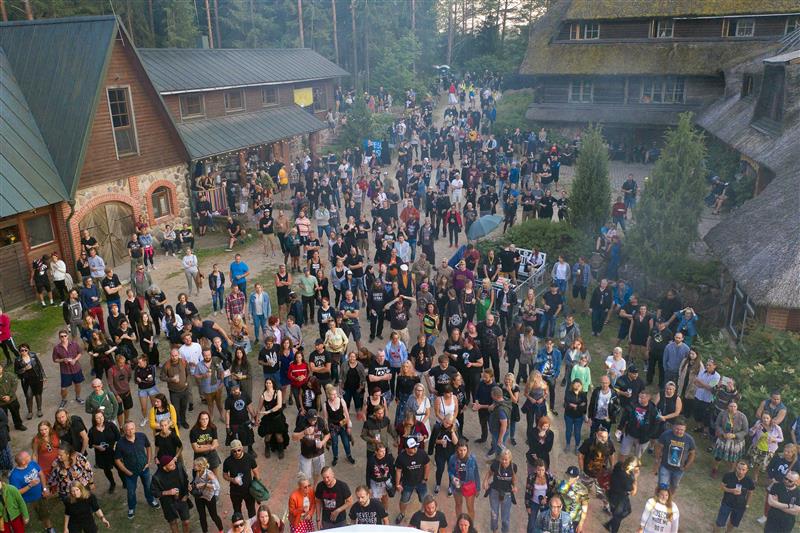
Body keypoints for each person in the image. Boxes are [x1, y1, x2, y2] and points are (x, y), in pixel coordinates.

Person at [114, 421, 160, 519]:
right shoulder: (120, 443)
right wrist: (126, 471)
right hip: (130, 472)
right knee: (131, 491)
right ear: (124, 431)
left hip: (144, 469)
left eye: (132, 429)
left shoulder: (142, 436)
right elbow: (117, 460)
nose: (131, 431)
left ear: (135, 428)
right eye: (128, 430)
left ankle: (151, 500)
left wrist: (148, 461)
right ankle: (131, 507)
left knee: (148, 486)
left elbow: (148, 447)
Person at [9, 450, 54, 533]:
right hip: (27, 503)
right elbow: (16, 493)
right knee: (29, 522)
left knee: (45, 515)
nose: (30, 456)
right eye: (27, 456)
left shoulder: (32, 463)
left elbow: (41, 474)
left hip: (40, 496)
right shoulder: (14, 476)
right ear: (23, 462)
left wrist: (44, 489)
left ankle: (49, 529)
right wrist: (30, 485)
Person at [653, 417, 695, 495]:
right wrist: (657, 459)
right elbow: (659, 447)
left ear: (685, 429)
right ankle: (657, 499)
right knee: (662, 486)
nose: (679, 431)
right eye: (677, 429)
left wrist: (687, 466)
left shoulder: (689, 439)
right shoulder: (666, 435)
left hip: (679, 469)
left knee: (674, 486)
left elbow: (692, 453)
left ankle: (669, 499)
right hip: (665, 466)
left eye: (681, 430)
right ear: (673, 427)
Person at [150, 455, 192, 533]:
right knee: (173, 522)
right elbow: (154, 492)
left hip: (182, 498)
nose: (174, 466)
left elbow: (185, 478)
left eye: (174, 463)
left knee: (186, 522)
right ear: (164, 467)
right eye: (171, 465)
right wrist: (168, 492)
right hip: (168, 503)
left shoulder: (178, 467)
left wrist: (187, 492)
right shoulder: (157, 477)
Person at [394, 436, 431, 524]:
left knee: (425, 500)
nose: (415, 449)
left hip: (421, 482)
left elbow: (427, 465)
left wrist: (425, 478)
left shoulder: (422, 453)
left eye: (415, 446)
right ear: (406, 448)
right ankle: (402, 513)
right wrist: (397, 484)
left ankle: (423, 513)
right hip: (407, 483)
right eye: (412, 447)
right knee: (404, 500)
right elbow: (398, 471)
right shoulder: (401, 457)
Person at [713, 459, 755, 533]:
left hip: (740, 506)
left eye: (743, 470)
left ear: (747, 470)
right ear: (736, 467)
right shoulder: (728, 476)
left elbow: (750, 492)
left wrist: (747, 505)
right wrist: (731, 490)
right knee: (719, 523)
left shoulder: (749, 481)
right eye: (739, 468)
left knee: (732, 523)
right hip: (727, 503)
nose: (741, 471)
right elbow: (722, 487)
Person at [223, 439, 260, 519]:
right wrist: (232, 480)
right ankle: (240, 526)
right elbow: (225, 475)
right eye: (234, 451)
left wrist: (258, 488)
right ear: (231, 451)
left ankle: (252, 526)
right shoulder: (227, 461)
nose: (237, 453)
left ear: (242, 448)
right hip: (235, 491)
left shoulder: (249, 458)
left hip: (248, 490)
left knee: (251, 511)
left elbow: (256, 473)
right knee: (237, 513)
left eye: (239, 450)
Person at [484, 448, 518, 533]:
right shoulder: (496, 465)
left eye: (506, 459)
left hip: (507, 493)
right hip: (495, 491)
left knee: (505, 519)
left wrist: (514, 486)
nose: (504, 461)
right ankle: (494, 530)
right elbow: (489, 473)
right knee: (494, 515)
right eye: (502, 459)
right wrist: (485, 481)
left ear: (510, 459)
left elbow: (514, 477)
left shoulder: (513, 467)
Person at [712, 400, 749, 477]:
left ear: (737, 407)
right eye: (731, 406)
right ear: (727, 406)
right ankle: (715, 469)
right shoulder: (722, 414)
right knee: (718, 456)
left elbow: (745, 430)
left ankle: (731, 471)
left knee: (734, 458)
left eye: (734, 406)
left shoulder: (742, 416)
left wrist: (735, 435)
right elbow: (717, 425)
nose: (733, 408)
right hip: (723, 439)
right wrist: (723, 433)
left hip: (736, 441)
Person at [88, 410, 121, 493]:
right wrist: (97, 447)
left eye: (101, 416)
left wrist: (115, 445)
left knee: (120, 468)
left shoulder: (111, 425)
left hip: (114, 452)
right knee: (107, 470)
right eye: (98, 418)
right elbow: (90, 444)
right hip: (102, 454)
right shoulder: (92, 431)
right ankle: (112, 483)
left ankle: (125, 482)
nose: (100, 419)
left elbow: (118, 437)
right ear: (94, 419)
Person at [604, 456, 639, 533]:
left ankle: (609, 524)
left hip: (619, 494)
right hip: (616, 497)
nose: (636, 469)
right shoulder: (625, 476)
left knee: (628, 511)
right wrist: (635, 478)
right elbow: (633, 492)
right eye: (636, 466)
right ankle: (613, 528)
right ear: (631, 465)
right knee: (617, 517)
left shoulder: (620, 465)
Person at [52, 329, 85, 409]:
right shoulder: (57, 348)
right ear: (59, 337)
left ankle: (78, 397)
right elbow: (55, 359)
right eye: (61, 336)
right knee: (63, 388)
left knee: (78, 384)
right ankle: (64, 400)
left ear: (68, 336)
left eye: (65, 336)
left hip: (76, 369)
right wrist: (63, 360)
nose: (63, 338)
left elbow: (80, 352)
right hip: (65, 371)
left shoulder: (74, 344)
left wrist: (75, 360)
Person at [748, 412, 784, 483]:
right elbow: (750, 433)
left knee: (764, 465)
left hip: (769, 450)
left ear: (770, 419)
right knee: (756, 464)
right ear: (761, 418)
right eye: (764, 418)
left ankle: (767, 478)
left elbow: (781, 439)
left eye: (767, 418)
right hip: (757, 447)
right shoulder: (759, 424)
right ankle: (755, 477)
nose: (765, 420)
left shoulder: (776, 428)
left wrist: (774, 439)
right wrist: (754, 428)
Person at [557, 465, 589, 533]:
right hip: (560, 517)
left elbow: (584, 508)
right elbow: (554, 497)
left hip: (574, 520)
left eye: (572, 477)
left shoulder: (583, 489)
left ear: (577, 477)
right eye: (568, 475)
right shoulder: (560, 484)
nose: (569, 479)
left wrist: (581, 524)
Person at [0, 362, 26, 431]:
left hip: (12, 399)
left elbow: (14, 385)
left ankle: (18, 425)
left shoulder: (9, 375)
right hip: (1, 403)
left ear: (2, 368)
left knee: (16, 413)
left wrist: (9, 395)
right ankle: (5, 429)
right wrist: (2, 397)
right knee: (3, 417)